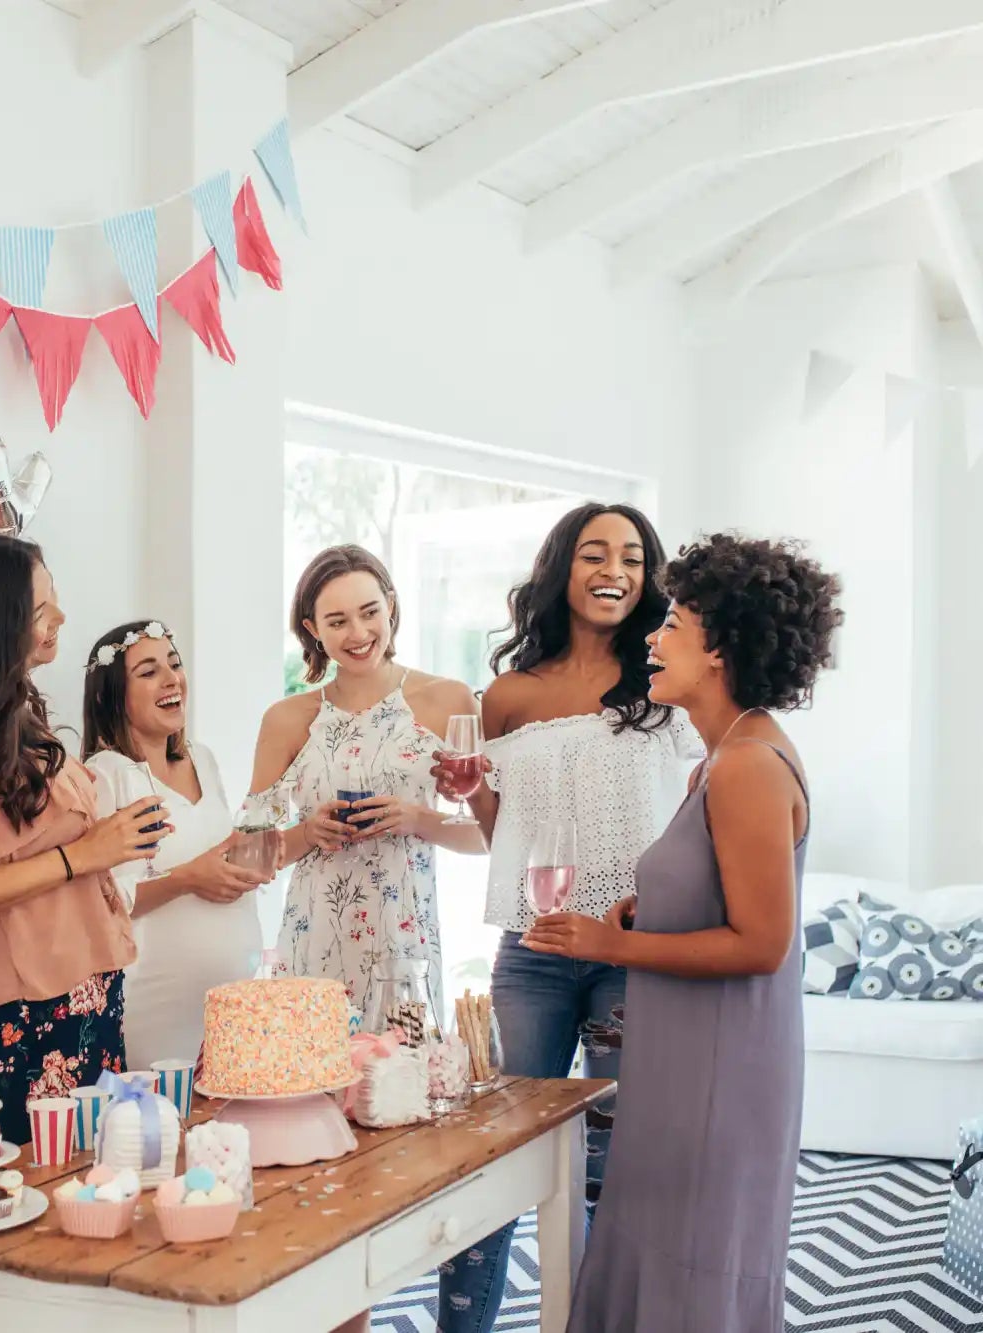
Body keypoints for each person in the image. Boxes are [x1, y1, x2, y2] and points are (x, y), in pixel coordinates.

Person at [524, 533, 839, 1331]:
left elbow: (762, 942)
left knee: (696, 1257)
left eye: (673, 626)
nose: (654, 641)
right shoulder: (718, 759)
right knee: (663, 1244)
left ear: (724, 648)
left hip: (720, 1073)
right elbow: (715, 890)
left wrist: (613, 944)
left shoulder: (748, 766)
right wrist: (646, 907)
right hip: (687, 1058)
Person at [430, 502, 703, 1333]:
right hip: (535, 949)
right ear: (564, 569)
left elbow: (700, 812)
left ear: (648, 576)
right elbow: (500, 832)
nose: (612, 568)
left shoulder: (669, 683)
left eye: (630, 555)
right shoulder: (509, 694)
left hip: (633, 949)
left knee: (612, 1168)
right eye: (593, 553)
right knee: (499, 1154)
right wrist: (473, 788)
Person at [0, 533, 163, 1145]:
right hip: (34, 1014)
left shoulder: (14, 713)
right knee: (49, 1205)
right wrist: (83, 855)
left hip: (85, 996)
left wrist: (110, 840)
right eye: (42, 610)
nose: (62, 618)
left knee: (96, 1193)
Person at [251, 544, 487, 1033]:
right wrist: (308, 833)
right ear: (312, 629)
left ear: (392, 606)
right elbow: (247, 856)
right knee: (312, 1099)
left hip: (406, 952)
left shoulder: (448, 699)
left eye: (369, 612)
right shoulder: (288, 718)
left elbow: (490, 835)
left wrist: (418, 819)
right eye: (337, 621)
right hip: (311, 947)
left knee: (401, 1095)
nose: (358, 634)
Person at [80, 620, 269, 1070]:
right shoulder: (105, 774)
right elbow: (101, 903)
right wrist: (187, 879)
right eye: (147, 672)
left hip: (232, 1004)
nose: (171, 679)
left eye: (174, 664)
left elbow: (216, 849)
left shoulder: (202, 759)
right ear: (112, 695)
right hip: (155, 1004)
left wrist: (272, 846)